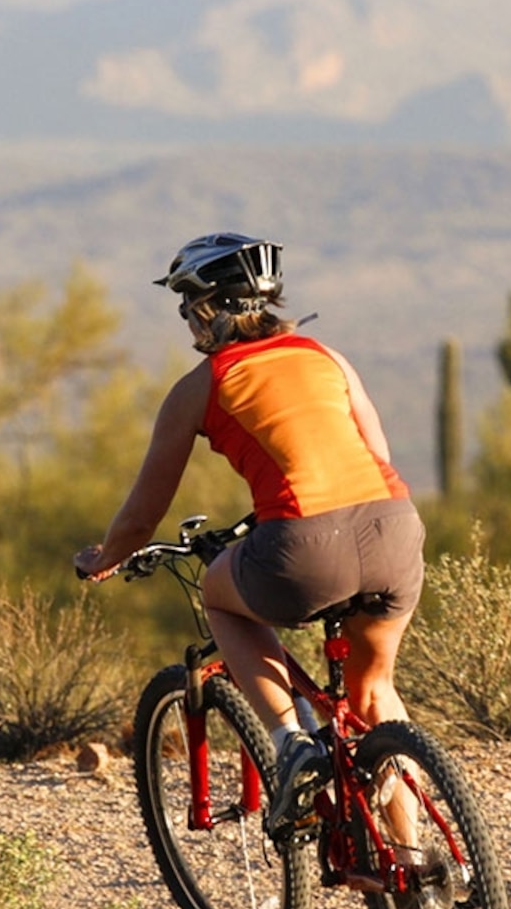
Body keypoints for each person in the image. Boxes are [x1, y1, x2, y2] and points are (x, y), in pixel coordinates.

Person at [73, 232, 428, 834]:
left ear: (208, 308)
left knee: (219, 594)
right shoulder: (327, 357)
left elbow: (140, 518)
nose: (187, 321)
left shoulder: (200, 386)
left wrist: (105, 556)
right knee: (374, 695)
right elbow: (376, 451)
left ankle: (289, 743)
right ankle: (420, 866)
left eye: (189, 307)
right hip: (395, 528)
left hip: (303, 545)